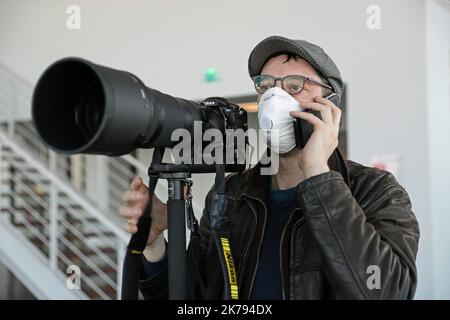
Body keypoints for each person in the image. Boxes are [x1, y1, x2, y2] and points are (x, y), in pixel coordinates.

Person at [119, 36, 420, 300]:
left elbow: (387, 290)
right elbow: (199, 295)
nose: (275, 97)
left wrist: (317, 172)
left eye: (294, 86)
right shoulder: (233, 193)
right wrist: (154, 243)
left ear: (330, 103)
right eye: (265, 86)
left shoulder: (376, 190)